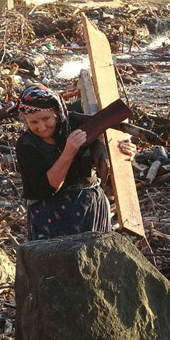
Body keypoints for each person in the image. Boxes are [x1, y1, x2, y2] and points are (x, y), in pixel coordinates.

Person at [15, 84, 135, 241]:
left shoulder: (79, 126)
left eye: (46, 119)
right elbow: (47, 188)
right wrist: (68, 151)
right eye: (33, 122)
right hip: (49, 219)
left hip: (90, 212)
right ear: (26, 121)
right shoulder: (26, 145)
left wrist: (124, 152)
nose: (42, 127)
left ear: (57, 113)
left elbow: (108, 160)